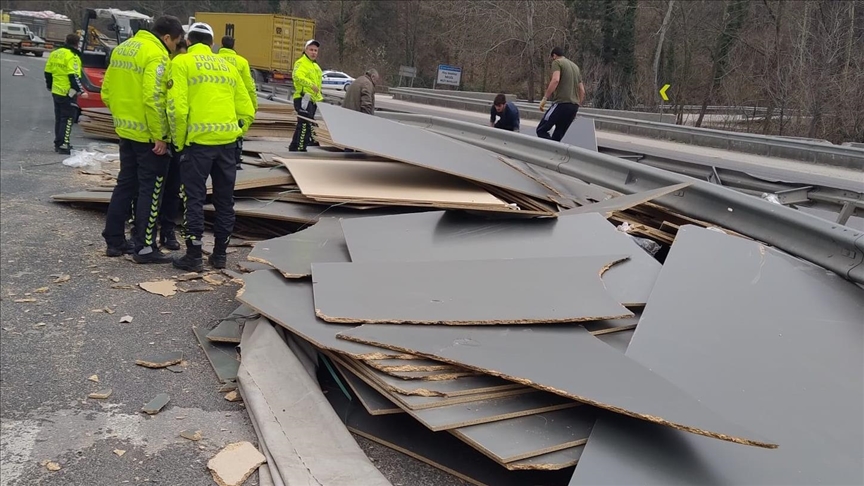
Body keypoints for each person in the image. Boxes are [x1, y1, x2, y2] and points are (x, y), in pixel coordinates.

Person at [167, 22, 255, 272]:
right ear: (212, 43)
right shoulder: (228, 66)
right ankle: (219, 255)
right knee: (225, 202)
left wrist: (179, 141)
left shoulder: (181, 63)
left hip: (197, 145)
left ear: (190, 41)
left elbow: (177, 108)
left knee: (194, 199)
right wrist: (238, 131)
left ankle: (193, 256)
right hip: (227, 145)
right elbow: (247, 109)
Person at [100, 16, 184, 262]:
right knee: (152, 188)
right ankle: (145, 247)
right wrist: (160, 135)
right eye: (175, 43)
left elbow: (107, 91)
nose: (173, 49)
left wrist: (123, 116)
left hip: (125, 130)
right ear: (167, 37)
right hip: (148, 135)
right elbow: (154, 98)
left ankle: (114, 241)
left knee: (125, 184)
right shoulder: (156, 55)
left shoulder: (123, 48)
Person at [158, 38, 188, 251]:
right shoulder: (163, 71)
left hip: (179, 141)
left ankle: (168, 231)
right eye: (180, 56)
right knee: (151, 189)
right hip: (160, 139)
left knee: (173, 189)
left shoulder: (187, 75)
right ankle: (142, 231)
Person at [218, 35, 258, 170]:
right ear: (234, 46)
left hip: (219, 101)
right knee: (238, 131)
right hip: (237, 103)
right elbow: (249, 86)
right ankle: (235, 160)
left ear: (221, 45)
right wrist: (253, 105)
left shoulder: (215, 59)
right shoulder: (242, 62)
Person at [44, 34, 87, 155]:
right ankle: (64, 144)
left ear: (65, 40)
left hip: (56, 91)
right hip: (68, 92)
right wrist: (80, 91)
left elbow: (48, 72)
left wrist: (50, 85)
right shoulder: (73, 56)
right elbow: (73, 76)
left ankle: (58, 142)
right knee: (68, 118)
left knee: (59, 118)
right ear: (77, 43)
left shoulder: (55, 53)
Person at [537, 47, 585, 141]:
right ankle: (553, 152)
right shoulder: (575, 67)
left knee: (541, 130)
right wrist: (577, 105)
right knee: (557, 137)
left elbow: (555, 80)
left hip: (561, 103)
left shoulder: (557, 62)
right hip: (573, 107)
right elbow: (582, 90)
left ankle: (548, 150)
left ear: (554, 55)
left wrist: (545, 98)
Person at [289, 39, 323, 152]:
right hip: (303, 97)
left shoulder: (316, 67)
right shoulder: (301, 62)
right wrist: (310, 84)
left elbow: (318, 85)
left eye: (315, 50)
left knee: (304, 123)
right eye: (311, 50)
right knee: (304, 125)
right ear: (305, 50)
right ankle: (300, 148)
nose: (313, 52)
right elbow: (296, 76)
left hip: (312, 100)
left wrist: (319, 98)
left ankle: (294, 146)